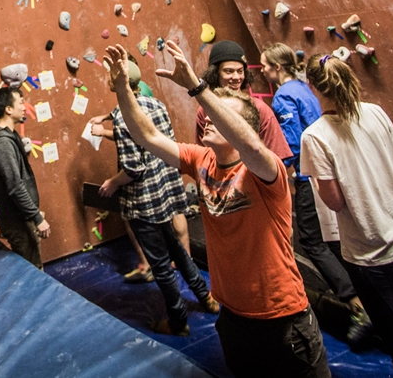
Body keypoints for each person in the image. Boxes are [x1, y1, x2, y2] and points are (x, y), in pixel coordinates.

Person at [107, 42, 330, 378]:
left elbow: (251, 144)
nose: (209, 118)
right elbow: (147, 135)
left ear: (240, 126)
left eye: (221, 114)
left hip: (282, 318)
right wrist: (123, 88)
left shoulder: (264, 170)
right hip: (233, 316)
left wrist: (197, 87)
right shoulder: (201, 159)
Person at [301, 54, 393, 378]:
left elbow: (335, 202)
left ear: (312, 86)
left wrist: (320, 182)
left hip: (370, 253)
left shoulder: (315, 135)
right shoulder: (376, 113)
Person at [94, 58, 218, 335]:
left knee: (161, 265)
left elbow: (134, 168)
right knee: (178, 251)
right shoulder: (156, 104)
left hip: (144, 202)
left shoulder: (122, 116)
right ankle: (207, 298)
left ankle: (178, 321)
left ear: (117, 82)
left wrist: (112, 183)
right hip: (166, 192)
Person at [261, 43, 373, 343]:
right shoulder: (304, 88)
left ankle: (357, 305)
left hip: (309, 174)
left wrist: (278, 172)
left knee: (312, 241)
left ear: (277, 67)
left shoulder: (284, 95)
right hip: (332, 169)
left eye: (266, 66)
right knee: (335, 240)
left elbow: (292, 141)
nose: (264, 71)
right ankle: (367, 295)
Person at [0, 87, 50, 268]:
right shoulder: (2, 144)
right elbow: (14, 186)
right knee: (32, 271)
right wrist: (37, 218)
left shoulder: (9, 136)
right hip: (17, 219)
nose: (25, 107)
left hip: (20, 215)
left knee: (31, 266)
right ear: (8, 109)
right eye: (21, 102)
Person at [200, 39, 293, 164]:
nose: (236, 77)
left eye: (240, 71)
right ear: (215, 74)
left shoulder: (259, 109)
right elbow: (201, 158)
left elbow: (279, 159)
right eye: (229, 71)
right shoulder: (204, 111)